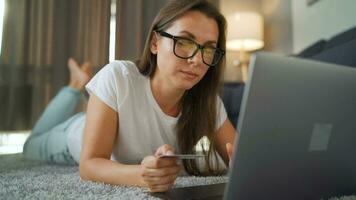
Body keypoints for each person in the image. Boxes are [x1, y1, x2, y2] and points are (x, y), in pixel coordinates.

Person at [23, 0, 237, 192]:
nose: (197, 60)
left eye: (209, 50)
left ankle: (78, 82)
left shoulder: (207, 102)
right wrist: (142, 175)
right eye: (184, 42)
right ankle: (74, 86)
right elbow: (89, 165)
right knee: (30, 145)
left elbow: (240, 157)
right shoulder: (118, 76)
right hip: (75, 135)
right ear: (155, 43)